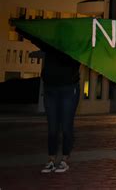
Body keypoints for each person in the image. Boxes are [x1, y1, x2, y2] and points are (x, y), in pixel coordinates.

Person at [20, 31, 81, 173]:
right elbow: (36, 37)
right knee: (52, 127)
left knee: (66, 125)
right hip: (51, 90)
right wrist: (21, 28)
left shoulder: (75, 48)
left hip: (69, 89)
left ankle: (65, 159)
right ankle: (51, 159)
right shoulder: (50, 44)